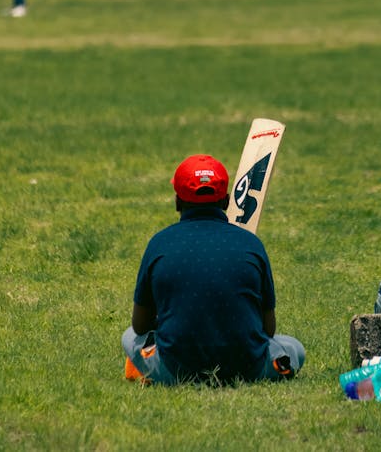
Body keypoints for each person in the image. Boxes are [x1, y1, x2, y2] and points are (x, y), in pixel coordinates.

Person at [122, 154, 305, 385]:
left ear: (177, 202)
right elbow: (268, 330)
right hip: (247, 367)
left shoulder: (159, 243)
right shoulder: (251, 244)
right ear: (227, 201)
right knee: (294, 347)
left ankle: (146, 369)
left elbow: (140, 326)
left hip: (176, 370)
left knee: (130, 336)